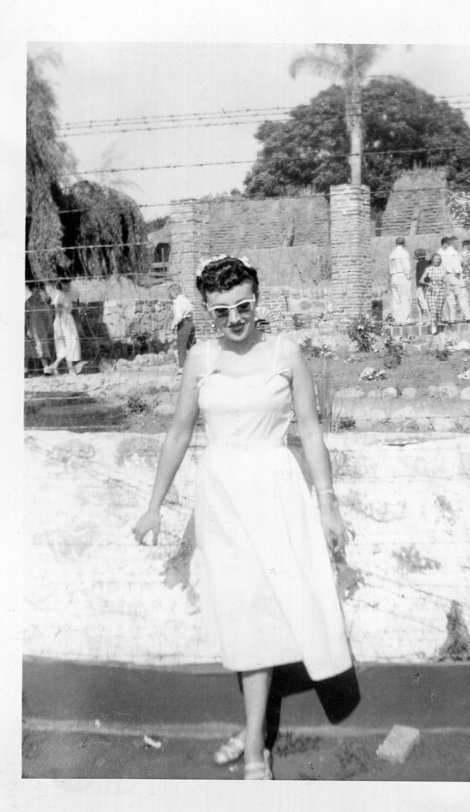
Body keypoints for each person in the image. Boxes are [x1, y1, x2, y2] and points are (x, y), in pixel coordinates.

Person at [133, 255, 353, 780]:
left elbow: (311, 430)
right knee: (245, 614)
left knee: (279, 611)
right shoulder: (201, 360)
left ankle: (254, 744)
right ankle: (256, 740)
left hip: (278, 494)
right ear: (208, 311)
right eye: (222, 311)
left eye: (244, 306)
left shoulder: (286, 353)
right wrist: (154, 505)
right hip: (224, 499)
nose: (235, 319)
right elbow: (180, 433)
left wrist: (328, 504)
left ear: (258, 300)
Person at [44, 279, 85, 376]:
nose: (68, 286)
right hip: (62, 321)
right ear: (62, 285)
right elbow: (58, 312)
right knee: (69, 343)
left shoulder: (68, 296)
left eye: (68, 284)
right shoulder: (60, 296)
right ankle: (69, 369)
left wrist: (84, 313)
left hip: (69, 320)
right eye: (65, 284)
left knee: (72, 343)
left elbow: (76, 308)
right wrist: (60, 328)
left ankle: (55, 366)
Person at [438, 236, 470, 324]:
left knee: (450, 298)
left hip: (446, 276)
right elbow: (456, 266)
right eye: (456, 243)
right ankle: (468, 317)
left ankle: (452, 318)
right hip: (455, 276)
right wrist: (459, 275)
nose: (457, 245)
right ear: (453, 243)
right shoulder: (453, 252)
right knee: (462, 297)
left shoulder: (442, 253)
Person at [25, 281, 53, 374]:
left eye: (38, 291)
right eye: (35, 291)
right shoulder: (28, 302)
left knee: (43, 346)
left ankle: (45, 368)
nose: (37, 293)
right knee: (34, 347)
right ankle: (26, 369)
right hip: (32, 327)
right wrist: (28, 328)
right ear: (32, 291)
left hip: (41, 327)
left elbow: (47, 314)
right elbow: (26, 316)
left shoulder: (42, 301)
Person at [419, 253, 448, 335]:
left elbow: (446, 281)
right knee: (433, 309)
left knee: (438, 310)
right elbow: (421, 280)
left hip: (441, 291)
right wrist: (428, 284)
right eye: (435, 259)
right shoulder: (428, 269)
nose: (437, 260)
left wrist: (447, 290)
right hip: (431, 291)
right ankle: (433, 326)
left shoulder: (443, 269)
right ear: (432, 260)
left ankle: (437, 327)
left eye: (439, 259)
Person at [169, 283, 196, 371]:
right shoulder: (185, 299)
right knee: (192, 346)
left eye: (170, 293)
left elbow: (178, 317)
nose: (169, 295)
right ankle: (195, 366)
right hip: (191, 322)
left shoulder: (177, 302)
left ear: (174, 292)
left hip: (184, 324)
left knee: (182, 347)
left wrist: (172, 326)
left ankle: (182, 369)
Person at [389, 237, 412, 324]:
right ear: (404, 243)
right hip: (402, 275)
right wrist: (408, 276)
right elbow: (406, 266)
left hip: (393, 275)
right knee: (405, 297)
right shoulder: (403, 252)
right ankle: (405, 319)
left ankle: (397, 319)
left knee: (396, 299)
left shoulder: (392, 253)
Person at [413, 248, 430, 324]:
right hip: (427, 284)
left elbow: (419, 275)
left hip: (420, 285)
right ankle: (422, 320)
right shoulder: (428, 263)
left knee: (421, 302)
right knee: (425, 301)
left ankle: (428, 319)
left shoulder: (419, 264)